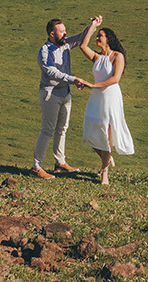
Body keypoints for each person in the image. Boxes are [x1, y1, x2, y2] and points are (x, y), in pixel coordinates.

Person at [32, 15, 102, 179]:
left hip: (65, 93)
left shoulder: (65, 44)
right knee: (48, 130)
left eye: (65, 31)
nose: (65, 34)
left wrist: (93, 25)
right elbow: (52, 72)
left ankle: (60, 162)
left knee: (62, 129)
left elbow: (80, 38)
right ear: (52, 34)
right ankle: (36, 166)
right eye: (61, 32)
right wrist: (74, 79)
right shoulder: (44, 51)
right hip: (50, 93)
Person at [78, 21, 135, 185]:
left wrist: (93, 85)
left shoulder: (118, 56)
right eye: (97, 36)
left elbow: (115, 78)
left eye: (100, 36)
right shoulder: (97, 57)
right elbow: (83, 46)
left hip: (110, 96)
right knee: (90, 132)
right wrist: (92, 27)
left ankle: (104, 173)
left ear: (108, 39)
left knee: (107, 133)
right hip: (97, 97)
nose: (97, 38)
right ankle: (107, 159)